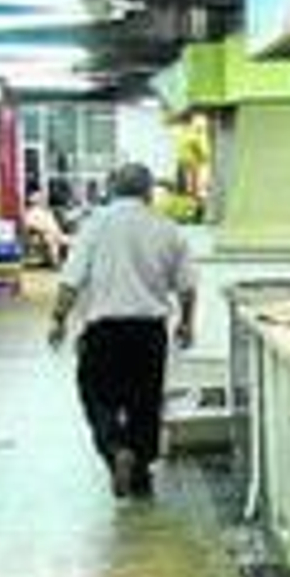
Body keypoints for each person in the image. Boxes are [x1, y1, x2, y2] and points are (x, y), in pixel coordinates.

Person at [46, 162, 196, 499]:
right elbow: (187, 286)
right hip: (149, 333)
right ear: (148, 192)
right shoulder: (167, 228)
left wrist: (58, 319)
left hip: (104, 332)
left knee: (97, 396)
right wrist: (187, 322)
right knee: (145, 404)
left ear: (114, 189)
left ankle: (115, 449)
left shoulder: (95, 225)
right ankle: (140, 473)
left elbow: (71, 279)